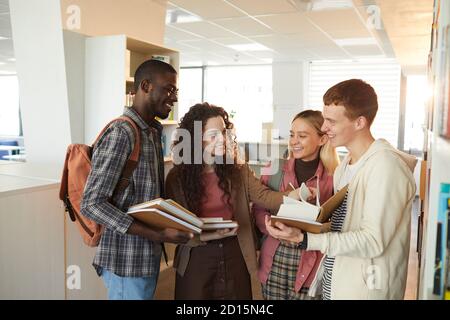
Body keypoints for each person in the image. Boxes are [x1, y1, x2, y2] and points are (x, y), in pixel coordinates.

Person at [266, 79, 417, 300]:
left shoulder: (385, 167)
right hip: (337, 282)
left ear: (359, 123)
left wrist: (307, 240)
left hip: (365, 290)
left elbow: (373, 241)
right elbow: (343, 230)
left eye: (331, 121)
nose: (325, 128)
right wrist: (300, 228)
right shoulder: (346, 167)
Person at [165, 102, 301, 300]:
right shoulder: (177, 178)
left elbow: (264, 197)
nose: (222, 139)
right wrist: (203, 237)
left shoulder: (237, 170)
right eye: (213, 135)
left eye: (223, 132)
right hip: (197, 255)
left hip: (234, 251)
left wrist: (295, 196)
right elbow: (173, 227)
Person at [81, 60, 193, 300]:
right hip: (125, 262)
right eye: (169, 89)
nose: (174, 98)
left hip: (145, 257)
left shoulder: (152, 132)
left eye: (176, 91)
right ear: (146, 86)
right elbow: (91, 203)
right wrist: (158, 235)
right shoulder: (122, 133)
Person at [253, 110, 338, 300]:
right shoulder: (273, 168)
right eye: (292, 135)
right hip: (274, 260)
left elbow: (338, 223)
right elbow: (259, 207)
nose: (294, 141)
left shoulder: (335, 177)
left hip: (311, 263)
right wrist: (269, 228)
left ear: (322, 139)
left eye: (302, 136)